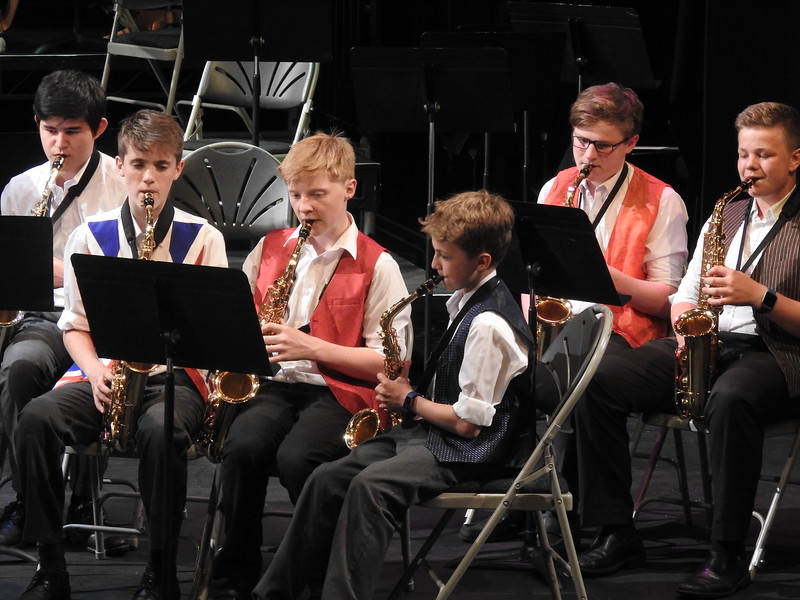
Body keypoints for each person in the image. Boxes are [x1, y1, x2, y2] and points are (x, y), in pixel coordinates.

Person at [251, 189, 533, 599]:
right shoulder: (466, 300)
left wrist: (408, 399)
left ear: (482, 261)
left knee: (371, 487)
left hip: (472, 450)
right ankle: (273, 593)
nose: (433, 265)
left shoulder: (489, 324)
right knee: (326, 478)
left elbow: (469, 424)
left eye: (444, 256)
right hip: (433, 433)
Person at [572, 101, 800, 599]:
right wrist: (683, 328)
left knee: (732, 400)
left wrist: (759, 295)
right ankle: (615, 531)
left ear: (795, 159)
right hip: (709, 341)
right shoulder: (728, 212)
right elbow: (685, 294)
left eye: (764, 155)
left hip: (779, 353)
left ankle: (727, 550)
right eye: (744, 155)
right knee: (597, 380)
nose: (750, 167)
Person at [462, 81, 690, 544]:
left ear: (631, 143)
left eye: (602, 146)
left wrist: (604, 278)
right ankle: (518, 497)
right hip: (560, 326)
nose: (587, 155)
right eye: (580, 141)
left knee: (584, 383)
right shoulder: (557, 186)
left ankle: (607, 527)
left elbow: (667, 298)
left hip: (624, 333)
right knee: (493, 355)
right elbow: (532, 272)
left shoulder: (661, 200)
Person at [13, 109, 227, 600]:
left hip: (175, 376)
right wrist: (93, 372)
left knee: (159, 430)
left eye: (160, 165)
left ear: (178, 168)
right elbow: (75, 327)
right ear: (121, 166)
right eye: (137, 165)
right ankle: (51, 567)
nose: (147, 178)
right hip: (101, 372)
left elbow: (212, 337)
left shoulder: (204, 239)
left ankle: (161, 569)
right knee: (34, 420)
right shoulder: (90, 236)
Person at [207, 132, 410, 600]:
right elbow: (235, 322)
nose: (304, 206)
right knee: (242, 449)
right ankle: (234, 576)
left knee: (299, 458)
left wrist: (313, 347)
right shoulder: (269, 249)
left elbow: (390, 363)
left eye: (317, 194)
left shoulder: (378, 266)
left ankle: (313, 578)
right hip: (276, 385)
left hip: (342, 391)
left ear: (349, 189)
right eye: (295, 194)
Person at [0, 69, 127, 549]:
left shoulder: (122, 180)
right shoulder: (21, 187)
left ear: (98, 128)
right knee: (18, 372)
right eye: (49, 130)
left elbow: (125, 268)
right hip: (43, 316)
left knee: (103, 385)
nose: (59, 143)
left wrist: (55, 267)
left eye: (72, 131)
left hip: (103, 316)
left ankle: (84, 498)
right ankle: (32, 500)